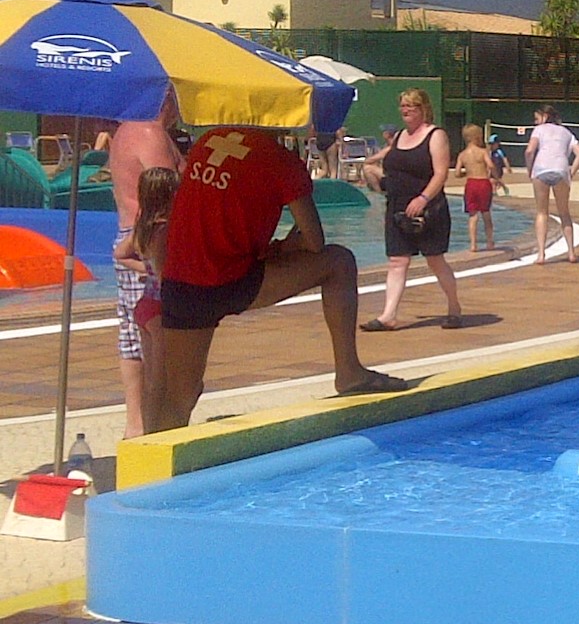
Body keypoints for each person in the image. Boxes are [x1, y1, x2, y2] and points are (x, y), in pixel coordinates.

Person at [160, 126, 410, 430]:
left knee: (179, 395)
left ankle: (150, 452)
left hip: (184, 280)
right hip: (236, 280)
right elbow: (315, 241)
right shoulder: (281, 162)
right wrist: (284, 246)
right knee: (339, 263)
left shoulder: (208, 142)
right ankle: (348, 371)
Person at [108, 88, 183, 438]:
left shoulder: (124, 131)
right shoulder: (151, 134)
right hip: (153, 239)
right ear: (166, 98)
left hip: (130, 236)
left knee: (130, 337)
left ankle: (134, 424)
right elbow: (171, 196)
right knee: (156, 355)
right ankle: (153, 423)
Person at [360, 89, 463, 331]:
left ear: (423, 109)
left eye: (411, 106)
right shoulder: (399, 137)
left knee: (435, 260)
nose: (405, 110)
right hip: (397, 206)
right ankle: (388, 315)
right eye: (403, 106)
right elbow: (386, 165)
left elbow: (441, 174)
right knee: (397, 260)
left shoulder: (435, 136)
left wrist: (423, 198)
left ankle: (454, 306)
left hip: (428, 208)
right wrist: (373, 173)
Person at [112, 167, 177, 436]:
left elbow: (120, 254)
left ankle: (149, 430)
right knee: (161, 380)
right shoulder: (165, 230)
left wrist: (144, 269)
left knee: (151, 379)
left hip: (144, 307)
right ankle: (154, 431)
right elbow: (164, 275)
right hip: (160, 308)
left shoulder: (143, 228)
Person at [525, 104, 579, 265]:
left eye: (536, 118)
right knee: (564, 213)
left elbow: (529, 151)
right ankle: (571, 252)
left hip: (541, 170)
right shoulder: (566, 132)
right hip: (561, 170)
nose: (535, 122)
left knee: (542, 212)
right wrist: (571, 173)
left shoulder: (538, 130)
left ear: (544, 116)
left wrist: (530, 170)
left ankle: (541, 254)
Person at [455, 123, 498, 253]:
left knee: (472, 215)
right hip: (483, 183)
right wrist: (496, 177)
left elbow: (457, 173)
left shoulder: (462, 155)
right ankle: (490, 241)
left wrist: (466, 172)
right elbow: (491, 165)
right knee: (486, 213)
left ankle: (473, 244)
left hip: (471, 184)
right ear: (477, 137)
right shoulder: (483, 152)